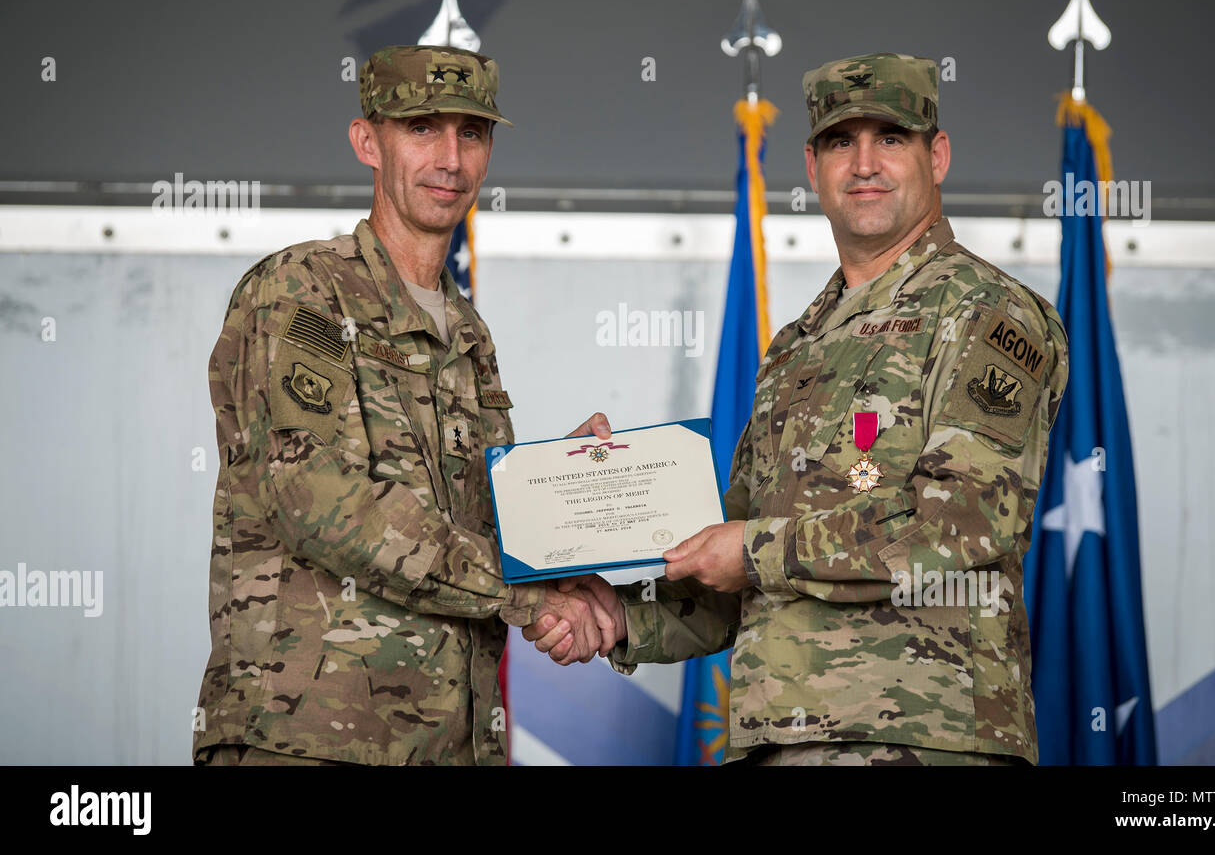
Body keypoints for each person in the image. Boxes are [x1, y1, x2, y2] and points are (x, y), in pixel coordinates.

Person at [524, 53, 1069, 765]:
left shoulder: (985, 313)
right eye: (843, 142)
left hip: (916, 739)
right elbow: (730, 583)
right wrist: (617, 617)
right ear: (813, 167)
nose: (865, 163)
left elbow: (962, 521)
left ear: (936, 156)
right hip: (774, 740)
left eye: (891, 139)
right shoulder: (798, 347)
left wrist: (752, 551)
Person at [193, 44, 617, 766]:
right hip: (309, 741)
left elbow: (459, 519)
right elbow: (321, 500)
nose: (450, 158)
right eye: (422, 128)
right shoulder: (305, 292)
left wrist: (554, 490)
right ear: (368, 142)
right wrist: (527, 600)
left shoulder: (467, 333)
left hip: (451, 743)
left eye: (472, 133)